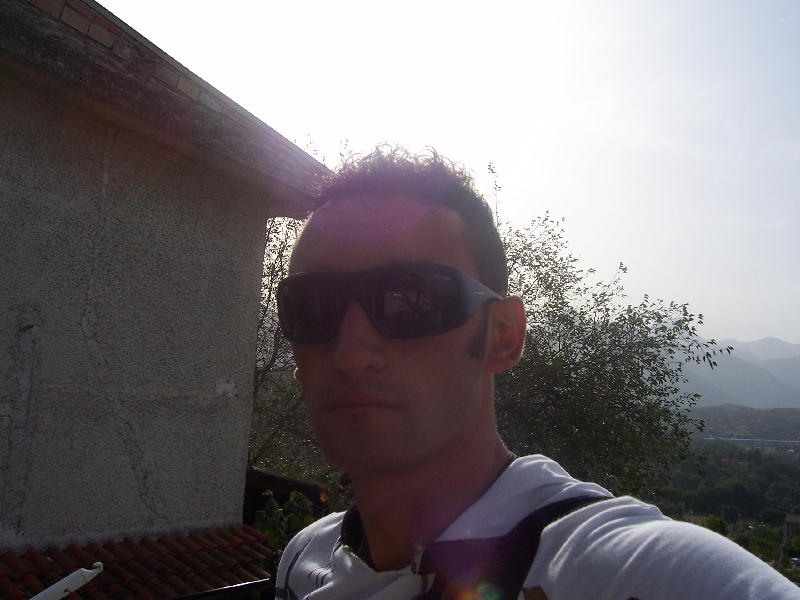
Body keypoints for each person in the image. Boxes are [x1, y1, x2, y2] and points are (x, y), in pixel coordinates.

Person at [274, 147, 798, 599]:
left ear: (502, 335)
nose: (350, 352)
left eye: (409, 299)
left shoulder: (632, 572)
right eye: (312, 308)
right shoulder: (303, 562)